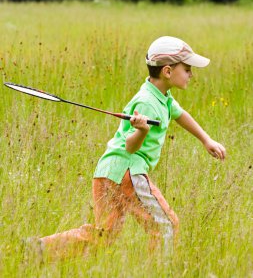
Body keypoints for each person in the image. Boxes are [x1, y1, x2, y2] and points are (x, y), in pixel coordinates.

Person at [39, 36, 226, 258]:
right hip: (128, 171)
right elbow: (130, 146)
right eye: (187, 69)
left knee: (105, 235)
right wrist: (141, 131)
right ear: (167, 71)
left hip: (108, 170)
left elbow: (179, 113)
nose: (191, 74)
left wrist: (206, 139)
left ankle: (38, 249)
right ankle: (160, 273)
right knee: (166, 226)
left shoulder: (161, 96)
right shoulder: (146, 101)